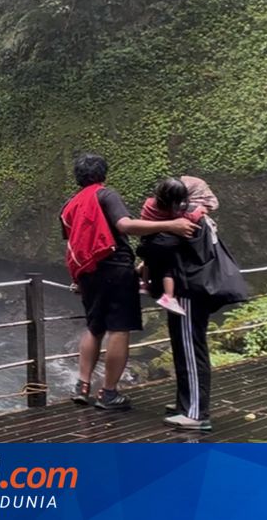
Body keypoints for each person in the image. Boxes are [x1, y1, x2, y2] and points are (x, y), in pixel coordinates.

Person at [60, 154, 196, 411]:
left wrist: (77, 277)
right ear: (104, 174)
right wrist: (172, 225)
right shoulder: (105, 195)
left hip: (87, 272)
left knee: (94, 326)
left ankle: (82, 385)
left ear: (77, 177)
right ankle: (108, 393)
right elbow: (125, 226)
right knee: (119, 328)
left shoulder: (69, 205)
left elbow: (75, 241)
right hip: (115, 267)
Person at [137, 177, 216, 432]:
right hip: (186, 290)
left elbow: (154, 247)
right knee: (183, 347)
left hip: (188, 291)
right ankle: (186, 403)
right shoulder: (185, 220)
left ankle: (195, 413)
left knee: (191, 350)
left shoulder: (191, 223)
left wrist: (150, 243)